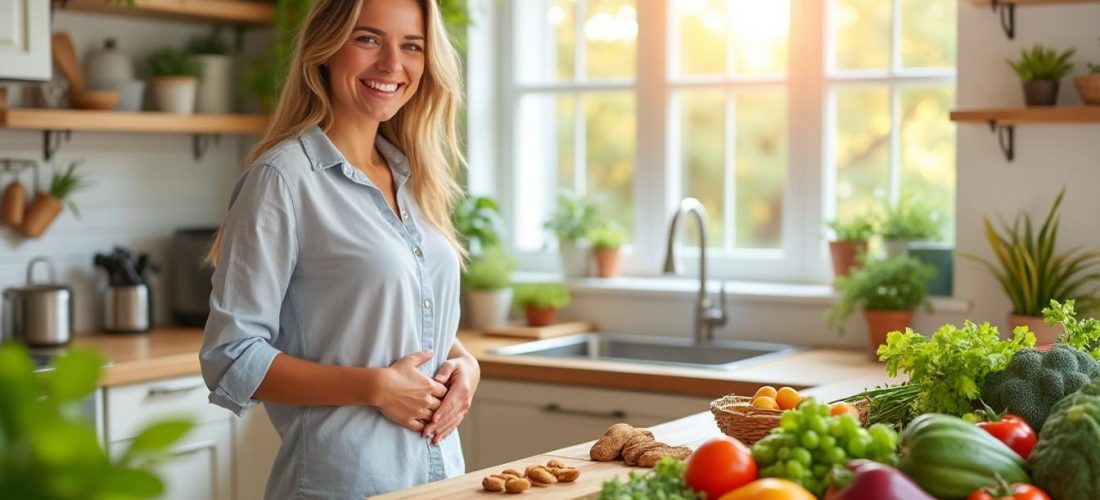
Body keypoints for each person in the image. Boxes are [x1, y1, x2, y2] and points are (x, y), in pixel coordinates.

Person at [198, 0, 479, 497]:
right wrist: (373, 388)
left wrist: (464, 364)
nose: (392, 65)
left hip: (440, 480)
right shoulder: (283, 181)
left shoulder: (415, 177)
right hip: (341, 484)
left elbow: (399, 311)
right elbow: (231, 355)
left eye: (411, 46)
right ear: (324, 50)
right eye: (368, 39)